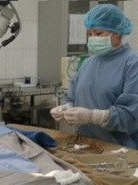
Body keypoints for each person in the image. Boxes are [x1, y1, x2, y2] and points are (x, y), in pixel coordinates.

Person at [51, 4, 138, 149]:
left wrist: (93, 116)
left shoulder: (132, 63)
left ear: (117, 33)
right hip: (86, 145)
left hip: (121, 150)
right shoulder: (88, 63)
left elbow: (131, 115)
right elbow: (73, 98)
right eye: (89, 34)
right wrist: (66, 108)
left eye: (98, 33)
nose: (92, 39)